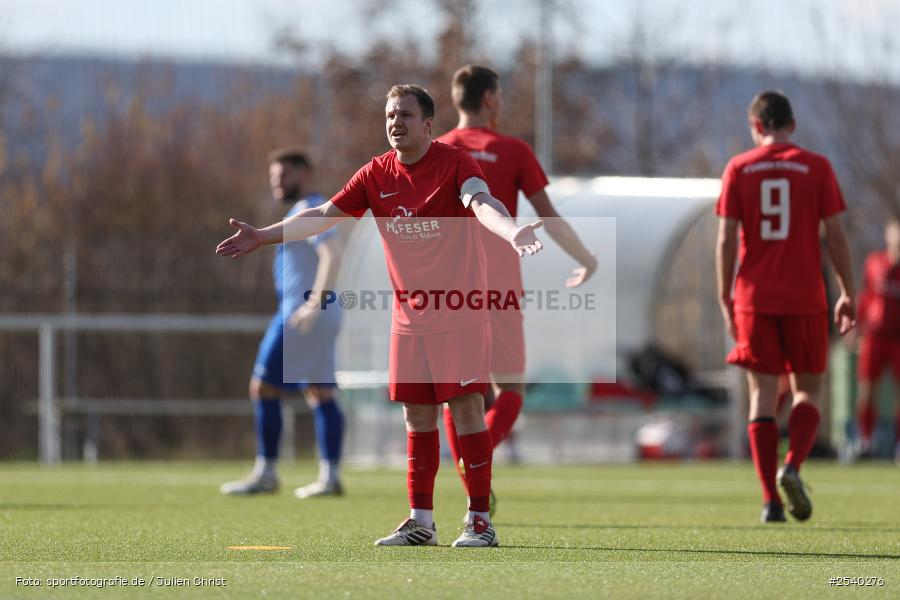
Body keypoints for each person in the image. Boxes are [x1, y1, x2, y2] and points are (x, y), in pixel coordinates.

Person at [216, 84, 544, 547]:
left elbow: (480, 202)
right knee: (417, 417)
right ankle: (421, 522)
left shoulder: (455, 163)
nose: (395, 122)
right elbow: (322, 216)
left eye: (406, 115)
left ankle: (479, 523)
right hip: (409, 318)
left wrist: (511, 232)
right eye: (391, 114)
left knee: (468, 411)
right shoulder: (375, 174)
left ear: (428, 124)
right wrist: (263, 236)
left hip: (459, 312)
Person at [437, 65, 597, 515]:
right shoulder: (512, 150)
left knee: (457, 393)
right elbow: (548, 215)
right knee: (510, 390)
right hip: (500, 281)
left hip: (447, 287)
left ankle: (470, 468)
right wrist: (587, 259)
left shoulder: (438, 150)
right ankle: (478, 461)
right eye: (500, 95)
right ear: (489, 98)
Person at [715, 91, 856, 523]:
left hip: (755, 298)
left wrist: (725, 295)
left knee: (761, 394)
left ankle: (769, 502)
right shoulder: (816, 167)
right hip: (805, 297)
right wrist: (847, 290)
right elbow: (835, 235)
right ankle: (792, 464)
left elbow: (724, 240)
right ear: (792, 124)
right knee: (807, 391)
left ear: (756, 126)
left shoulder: (739, 168)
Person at [220, 148, 349, 500]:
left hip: (301, 313)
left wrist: (311, 305)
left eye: (284, 176)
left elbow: (332, 254)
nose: (277, 183)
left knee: (262, 388)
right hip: (321, 312)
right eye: (274, 177)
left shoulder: (311, 209)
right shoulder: (300, 212)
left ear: (304, 174)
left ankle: (267, 472)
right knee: (320, 393)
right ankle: (331, 475)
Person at [855, 219, 900, 459]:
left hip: (898, 337)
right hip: (875, 336)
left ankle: (898, 445)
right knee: (866, 390)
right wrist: (856, 327)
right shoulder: (874, 262)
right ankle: (865, 440)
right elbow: (865, 296)